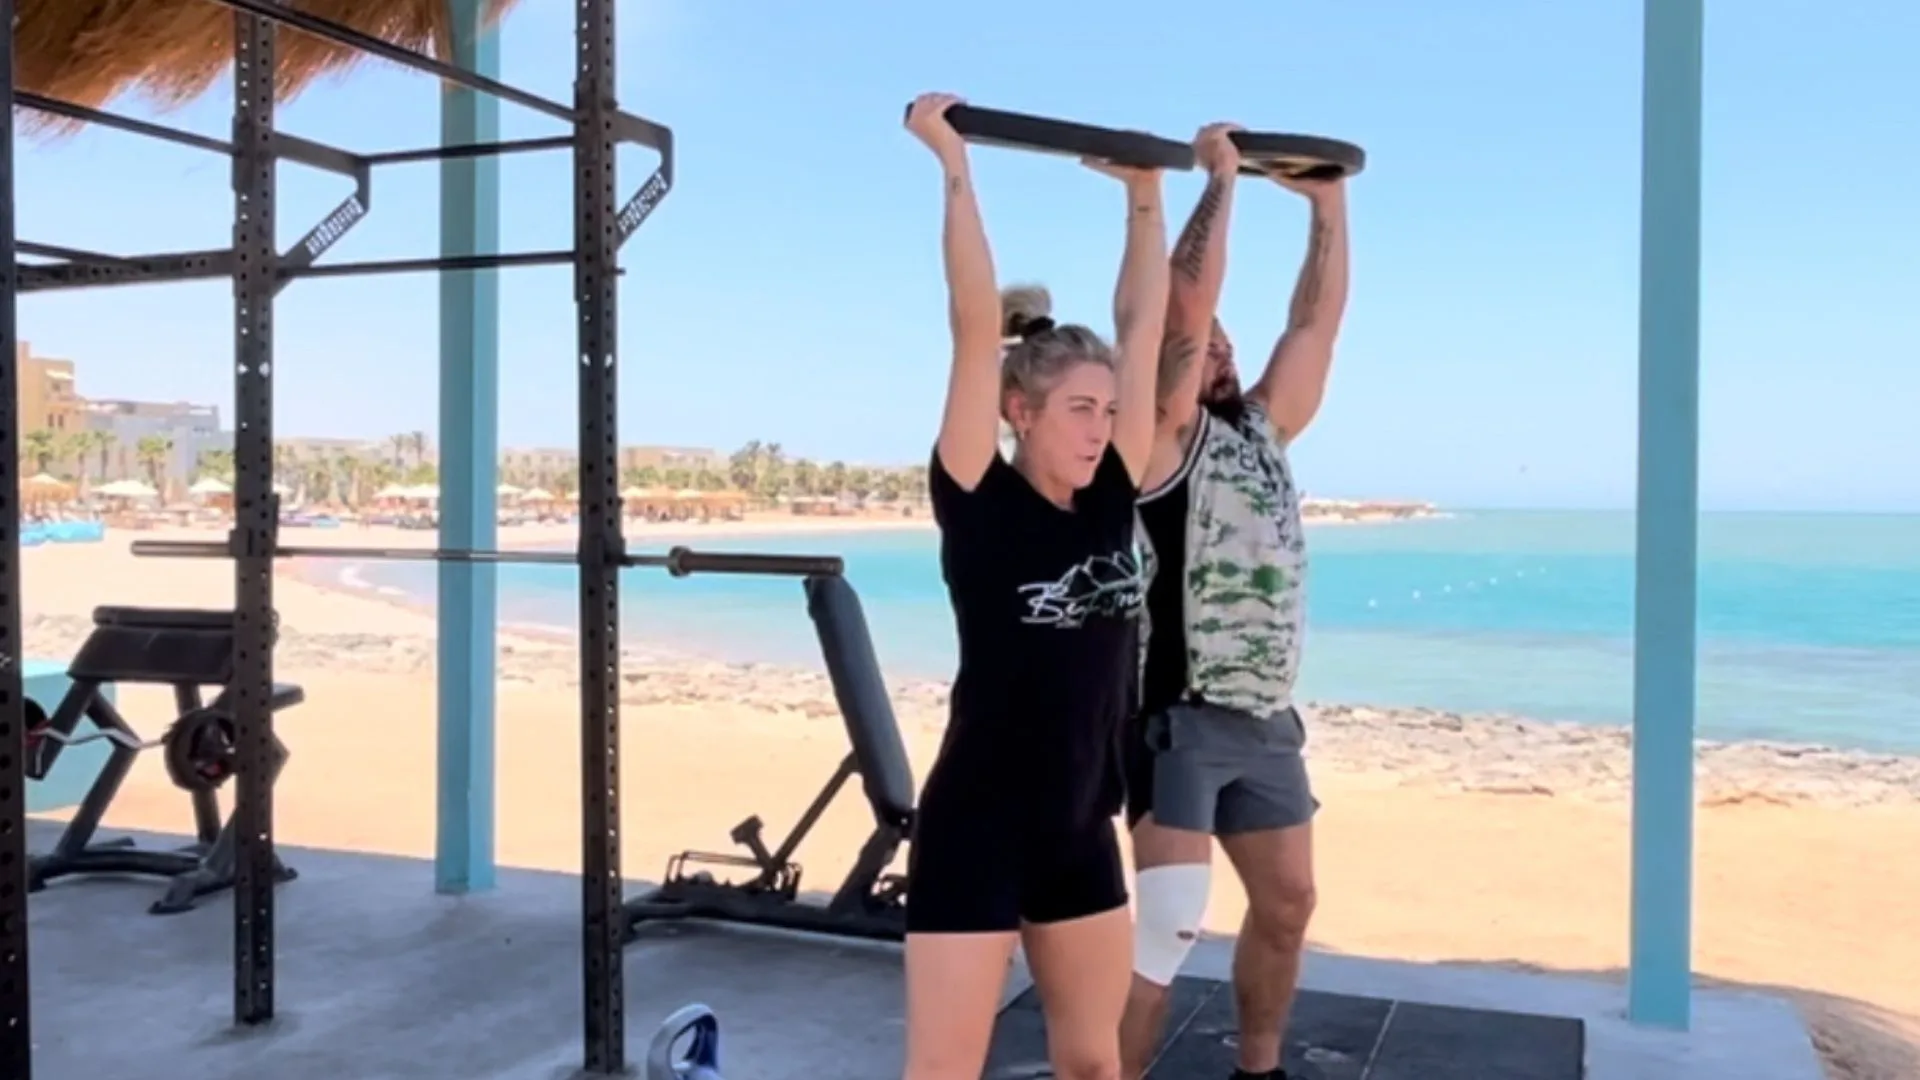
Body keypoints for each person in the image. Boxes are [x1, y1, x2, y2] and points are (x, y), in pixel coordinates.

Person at [899, 91, 1169, 1080]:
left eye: (1107, 410)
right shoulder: (978, 495)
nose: (1100, 427)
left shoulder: (1111, 499)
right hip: (977, 824)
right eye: (1078, 409)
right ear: (1021, 409)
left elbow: (1145, 336)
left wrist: (1145, 199)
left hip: (1077, 828)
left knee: (1094, 1064)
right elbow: (976, 326)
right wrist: (953, 163)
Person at [1117, 123, 1353, 1080]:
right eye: (1201, 341)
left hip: (1264, 719)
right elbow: (1178, 306)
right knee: (1166, 930)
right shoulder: (1156, 443)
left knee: (1290, 904)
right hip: (1176, 718)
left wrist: (1328, 207)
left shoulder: (1262, 430)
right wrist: (1222, 180)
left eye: (1223, 342)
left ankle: (1259, 1069)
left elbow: (1314, 325)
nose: (1214, 345)